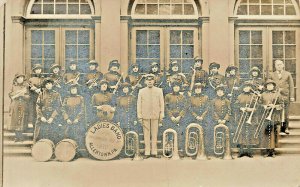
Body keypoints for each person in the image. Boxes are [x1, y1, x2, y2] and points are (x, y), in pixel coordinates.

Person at [137, 74, 164, 158]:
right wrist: (139, 116)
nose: (149, 81)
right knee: (146, 134)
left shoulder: (159, 90)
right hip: (145, 115)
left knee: (154, 134)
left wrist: (161, 114)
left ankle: (154, 152)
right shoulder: (141, 91)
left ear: (154, 81)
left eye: (151, 80)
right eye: (148, 80)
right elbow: (139, 104)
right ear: (145, 81)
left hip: (155, 115)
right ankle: (147, 152)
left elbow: (161, 103)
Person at [268, 59, 295, 134]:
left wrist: (292, 96)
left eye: (280, 64)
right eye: (277, 65)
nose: (279, 66)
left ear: (283, 65)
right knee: (277, 111)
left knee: (286, 112)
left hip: (285, 96)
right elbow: (269, 85)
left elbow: (292, 86)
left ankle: (286, 128)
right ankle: (278, 128)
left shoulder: (288, 74)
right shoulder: (272, 75)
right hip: (275, 96)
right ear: (275, 66)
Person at [234, 82, 259, 158]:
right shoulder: (239, 96)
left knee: (250, 134)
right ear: (243, 88)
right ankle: (241, 152)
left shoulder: (254, 96)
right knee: (241, 134)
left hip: (251, 117)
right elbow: (235, 105)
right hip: (241, 116)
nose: (246, 88)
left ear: (250, 88)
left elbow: (257, 106)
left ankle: (249, 152)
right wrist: (241, 108)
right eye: (245, 87)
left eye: (248, 87)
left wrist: (251, 109)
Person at [258, 80, 283, 157]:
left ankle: (272, 151)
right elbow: (258, 104)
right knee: (265, 133)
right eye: (268, 85)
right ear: (266, 86)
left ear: (273, 86)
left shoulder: (277, 94)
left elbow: (282, 105)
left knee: (273, 133)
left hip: (274, 115)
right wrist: (263, 106)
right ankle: (266, 150)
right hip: (265, 115)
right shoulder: (263, 94)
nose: (269, 86)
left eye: (271, 85)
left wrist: (274, 106)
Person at [34, 78, 62, 144]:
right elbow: (38, 106)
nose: (48, 85)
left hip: (53, 117)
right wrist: (41, 117)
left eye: (49, 84)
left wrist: (52, 117)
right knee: (40, 134)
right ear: (45, 85)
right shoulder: (41, 94)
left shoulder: (57, 94)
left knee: (53, 134)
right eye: (46, 84)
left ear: (52, 85)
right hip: (43, 116)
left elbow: (58, 107)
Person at [164, 82, 188, 156]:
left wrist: (179, 116)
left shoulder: (182, 97)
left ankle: (180, 150)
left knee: (180, 133)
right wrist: (171, 116)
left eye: (178, 86)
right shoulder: (168, 96)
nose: (176, 88)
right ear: (172, 88)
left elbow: (184, 107)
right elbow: (166, 107)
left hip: (180, 118)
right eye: (174, 86)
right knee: (169, 134)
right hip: (170, 118)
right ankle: (169, 150)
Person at [62, 84, 85, 149]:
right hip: (68, 120)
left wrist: (77, 118)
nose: (73, 90)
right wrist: (67, 118)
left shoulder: (80, 98)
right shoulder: (66, 98)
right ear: (70, 90)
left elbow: (82, 109)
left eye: (75, 89)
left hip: (77, 120)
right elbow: (63, 109)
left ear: (77, 90)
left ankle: (77, 151)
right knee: (67, 134)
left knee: (78, 135)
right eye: (72, 89)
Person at [8, 73, 30, 142]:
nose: (20, 79)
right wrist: (16, 94)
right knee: (15, 120)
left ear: (23, 79)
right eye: (18, 78)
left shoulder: (25, 86)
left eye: (21, 78)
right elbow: (10, 94)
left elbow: (28, 96)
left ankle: (21, 137)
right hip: (15, 105)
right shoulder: (13, 86)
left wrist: (23, 95)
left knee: (21, 120)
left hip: (22, 104)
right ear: (16, 79)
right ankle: (16, 136)